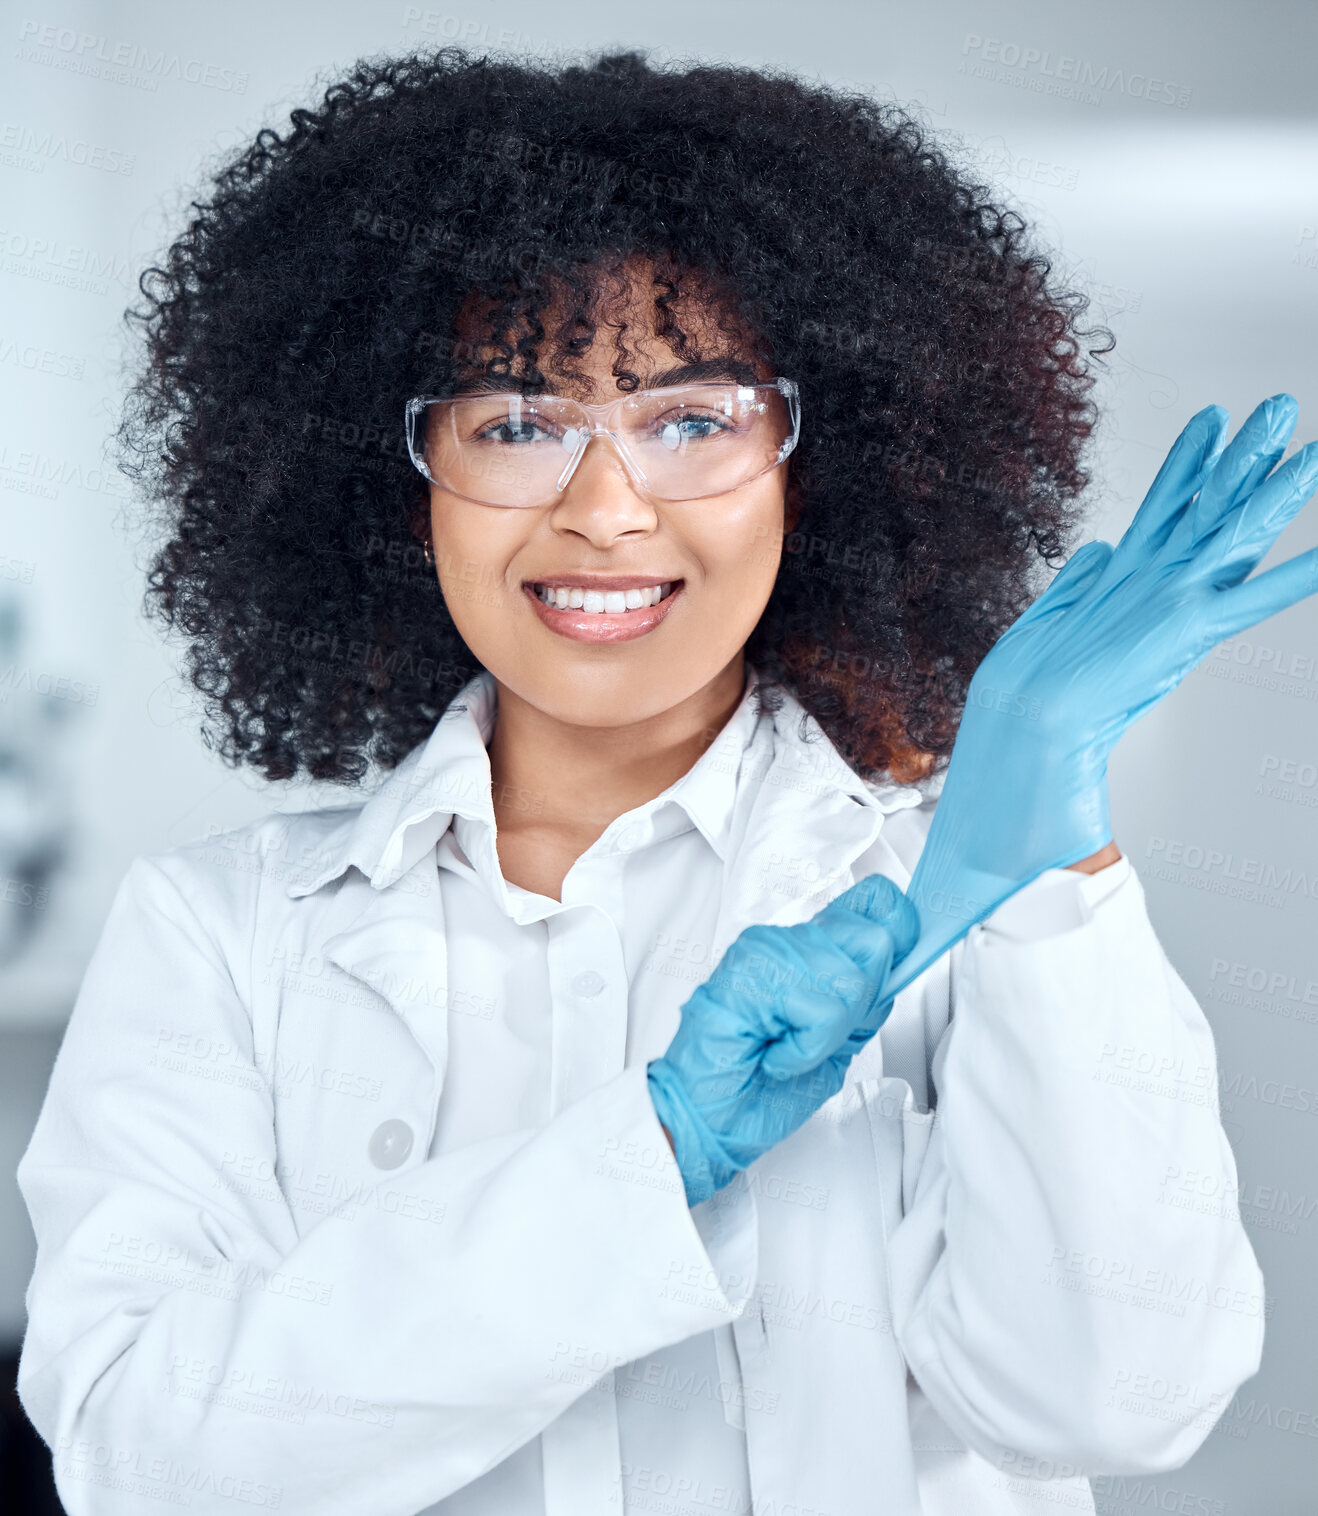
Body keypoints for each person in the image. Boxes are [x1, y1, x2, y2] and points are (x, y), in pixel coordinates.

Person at [15, 45, 1293, 1516]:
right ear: (397, 472)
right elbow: (140, 1459)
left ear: (816, 465)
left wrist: (1044, 882)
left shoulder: (956, 895)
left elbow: (1110, 1402)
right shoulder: (224, 934)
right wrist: (648, 1154)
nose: (605, 508)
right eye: (515, 424)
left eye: (692, 420)